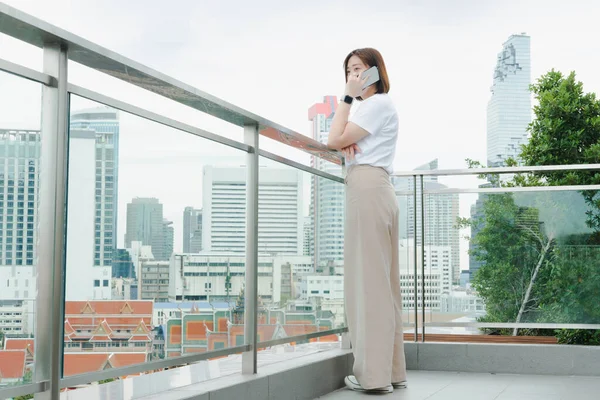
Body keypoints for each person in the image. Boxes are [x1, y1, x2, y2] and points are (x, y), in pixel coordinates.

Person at [327, 48, 406, 394]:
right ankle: (391, 371)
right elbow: (341, 142)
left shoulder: (373, 104)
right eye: (348, 71)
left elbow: (332, 140)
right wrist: (346, 140)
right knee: (383, 285)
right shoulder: (375, 109)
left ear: (375, 72)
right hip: (379, 188)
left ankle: (373, 378)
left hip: (368, 189)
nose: (352, 76)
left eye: (357, 70)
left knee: (368, 285)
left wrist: (345, 97)